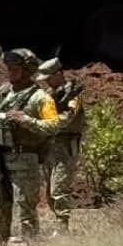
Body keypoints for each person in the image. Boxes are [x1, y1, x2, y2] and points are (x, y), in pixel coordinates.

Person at [0, 48, 60, 246]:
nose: (10, 72)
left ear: (28, 70)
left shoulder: (40, 98)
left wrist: (27, 120)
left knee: (26, 210)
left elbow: (54, 126)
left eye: (15, 68)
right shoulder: (3, 92)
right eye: (9, 68)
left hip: (25, 159)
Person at [36, 57, 84, 233]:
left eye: (49, 78)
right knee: (49, 192)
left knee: (59, 189)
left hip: (65, 146)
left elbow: (67, 117)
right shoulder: (49, 95)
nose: (47, 82)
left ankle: (62, 228)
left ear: (58, 74)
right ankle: (59, 225)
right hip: (49, 147)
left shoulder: (72, 95)